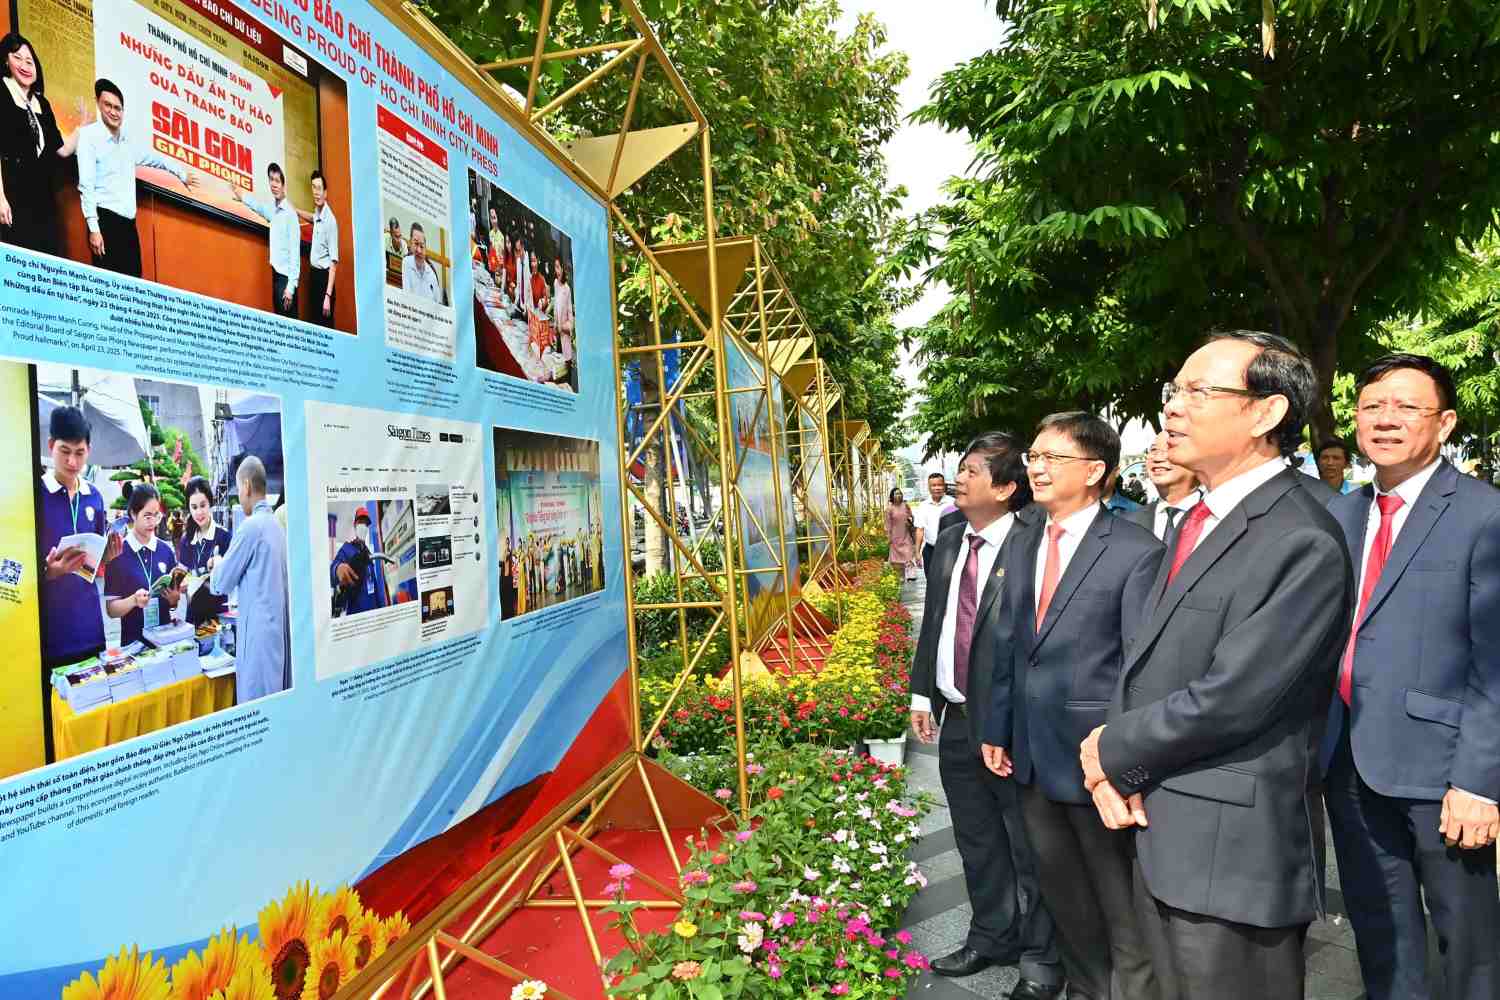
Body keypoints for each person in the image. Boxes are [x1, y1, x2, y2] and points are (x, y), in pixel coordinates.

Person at [1081, 331, 1354, 999]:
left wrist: (1109, 749)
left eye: (1199, 392)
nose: (1173, 407)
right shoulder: (1190, 520)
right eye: (1174, 391)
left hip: (1230, 854)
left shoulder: (1302, 538)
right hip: (1158, 822)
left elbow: (1235, 696)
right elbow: (1144, 660)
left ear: (1266, 414)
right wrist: (1119, 769)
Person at [1320, 353, 1500, 1000]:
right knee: (1380, 929)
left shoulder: (1484, 514)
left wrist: (1478, 783)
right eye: (1372, 406)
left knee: (1468, 941)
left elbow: (1496, 662)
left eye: (1406, 406)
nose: (1385, 419)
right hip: (1348, 759)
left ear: (1445, 422)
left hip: (1443, 774)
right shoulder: (1340, 516)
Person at [983, 412, 1165, 1000]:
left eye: (1051, 458)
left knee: (1121, 905)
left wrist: (1123, 760)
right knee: (1064, 897)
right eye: (1033, 456)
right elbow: (1013, 644)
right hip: (1033, 755)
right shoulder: (1026, 535)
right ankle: (1088, 988)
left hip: (1098, 762)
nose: (1035, 466)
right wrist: (998, 726)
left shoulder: (1136, 549)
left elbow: (1141, 668)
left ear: (1094, 471)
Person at [909, 432, 1060, 993]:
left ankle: (1043, 960)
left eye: (972, 470)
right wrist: (923, 693)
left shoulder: (1036, 542)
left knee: (1029, 842)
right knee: (975, 836)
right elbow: (937, 623)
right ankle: (992, 933)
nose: (958, 477)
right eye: (959, 469)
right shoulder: (950, 540)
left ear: (1003, 486)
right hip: (957, 717)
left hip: (1014, 724)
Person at [37, 406, 122, 759]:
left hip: (89, 629)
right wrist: (50, 574)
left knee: (92, 721)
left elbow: (94, 569)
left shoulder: (94, 497)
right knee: (58, 727)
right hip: (51, 635)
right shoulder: (34, 496)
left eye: (80, 453)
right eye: (65, 452)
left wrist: (107, 558)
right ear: (50, 445)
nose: (73, 463)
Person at [75, 78, 196, 276]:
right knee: (108, 287)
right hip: (104, 221)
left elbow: (156, 159)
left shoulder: (127, 142)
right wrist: (94, 229)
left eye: (118, 108)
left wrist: (181, 173)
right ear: (98, 103)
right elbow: (86, 186)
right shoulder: (89, 136)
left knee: (134, 287)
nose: (114, 112)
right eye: (108, 105)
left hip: (129, 226)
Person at [209, 456, 289, 702]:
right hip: (277, 633)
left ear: (246, 486)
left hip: (259, 639)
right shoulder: (277, 526)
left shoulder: (250, 527)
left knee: (257, 710)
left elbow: (220, 583)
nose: (239, 497)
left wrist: (217, 563)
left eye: (239, 490)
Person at [1, 33, 76, 255]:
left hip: (43, 199)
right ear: (5, 61)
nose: (24, 65)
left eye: (29, 61)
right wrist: (0, 198)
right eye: (17, 57)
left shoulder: (42, 102)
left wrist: (83, 128)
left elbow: (61, 149)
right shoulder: (2, 91)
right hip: (11, 194)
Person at [103, 483, 182, 645]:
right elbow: (111, 610)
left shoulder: (165, 551)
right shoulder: (118, 553)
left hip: (164, 642)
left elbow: (172, 604)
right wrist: (133, 600)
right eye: (147, 516)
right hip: (133, 645)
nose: (153, 522)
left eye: (156, 515)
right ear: (133, 513)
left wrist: (174, 600)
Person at [232, 162, 301, 317]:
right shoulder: (273, 210)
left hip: (286, 280)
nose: (273, 184)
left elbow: (295, 255)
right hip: (276, 277)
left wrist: (290, 288)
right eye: (271, 179)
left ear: (283, 185)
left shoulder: (290, 215)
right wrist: (241, 195)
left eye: (277, 180)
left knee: (289, 330)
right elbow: (258, 206)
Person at [1125, 431, 1202, 540]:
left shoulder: (1218, 518)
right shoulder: (1129, 523)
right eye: (1153, 450)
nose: (1157, 458)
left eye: (1169, 449)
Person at [174, 476, 230, 623]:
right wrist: (180, 583)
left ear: (210, 503)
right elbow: (182, 572)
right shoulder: (187, 539)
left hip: (217, 618)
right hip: (193, 618)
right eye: (194, 507)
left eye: (203, 505)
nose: (199, 512)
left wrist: (220, 566)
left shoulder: (224, 536)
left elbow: (231, 579)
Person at [299, 170, 338, 327]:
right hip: (314, 277)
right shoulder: (318, 213)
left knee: (326, 328)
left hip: (324, 281)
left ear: (325, 192)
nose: (316, 192)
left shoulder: (330, 221)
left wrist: (327, 296)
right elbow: (313, 218)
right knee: (315, 326)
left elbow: (334, 263)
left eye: (319, 188)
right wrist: (296, 211)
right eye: (314, 188)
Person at [331, 506, 386, 615]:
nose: (363, 526)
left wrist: (381, 608)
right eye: (360, 522)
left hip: (374, 612)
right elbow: (333, 568)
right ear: (355, 525)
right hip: (356, 614)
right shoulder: (346, 549)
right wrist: (337, 569)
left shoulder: (369, 553)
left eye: (366, 524)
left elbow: (373, 583)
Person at [913, 472, 956, 568]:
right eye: (933, 485)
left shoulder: (953, 504)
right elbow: (920, 530)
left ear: (944, 486)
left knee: (948, 581)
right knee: (931, 581)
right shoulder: (923, 506)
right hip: (930, 550)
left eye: (940, 485)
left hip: (949, 550)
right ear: (929, 487)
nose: (937, 488)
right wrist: (917, 552)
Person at [402, 224, 444, 305]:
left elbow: (439, 303)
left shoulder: (431, 273)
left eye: (422, 246)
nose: (419, 250)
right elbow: (406, 297)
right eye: (416, 244)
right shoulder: (406, 262)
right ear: (410, 244)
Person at [884, 487, 915, 574]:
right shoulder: (889, 509)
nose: (898, 495)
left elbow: (911, 516)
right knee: (897, 559)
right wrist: (888, 536)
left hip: (906, 534)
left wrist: (910, 521)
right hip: (895, 537)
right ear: (892, 496)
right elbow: (887, 524)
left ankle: (910, 573)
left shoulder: (905, 506)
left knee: (908, 554)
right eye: (896, 494)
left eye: (900, 493)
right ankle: (900, 575)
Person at [553, 259, 575, 364]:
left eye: (558, 267)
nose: (556, 270)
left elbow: (570, 313)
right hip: (557, 332)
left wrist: (564, 326)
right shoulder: (555, 283)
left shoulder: (567, 289)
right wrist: (555, 324)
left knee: (566, 362)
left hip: (565, 333)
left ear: (563, 269)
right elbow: (556, 305)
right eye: (555, 267)